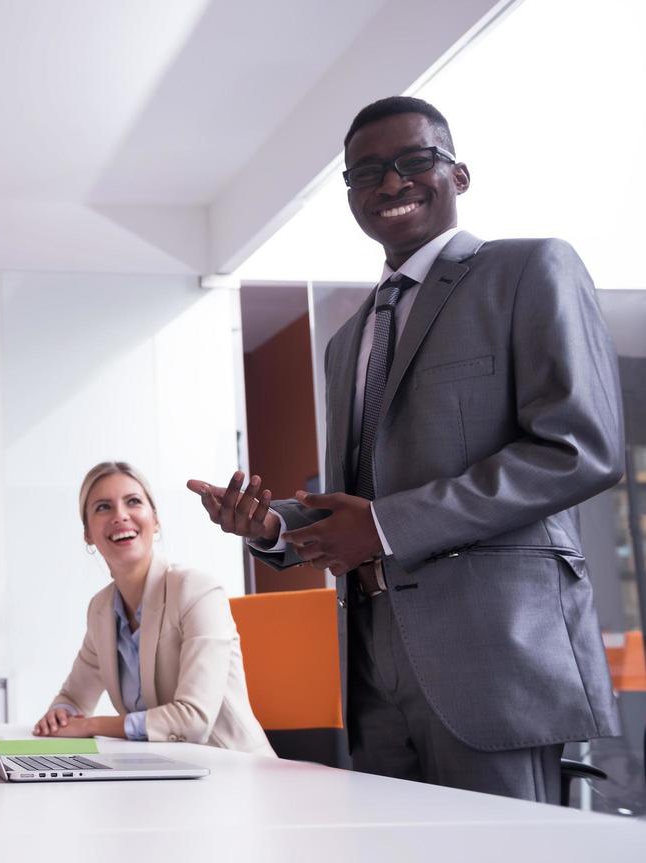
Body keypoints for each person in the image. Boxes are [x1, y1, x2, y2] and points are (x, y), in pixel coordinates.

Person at [188, 96, 623, 802]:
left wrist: (387, 525)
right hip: (371, 661)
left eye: (413, 161)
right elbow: (355, 504)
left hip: (494, 655)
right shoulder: (344, 342)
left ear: (458, 175)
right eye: (365, 174)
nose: (390, 184)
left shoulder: (526, 270)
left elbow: (578, 449)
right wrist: (271, 529)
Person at [33, 461, 273, 755]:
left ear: (155, 520)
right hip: (162, 773)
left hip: (234, 771)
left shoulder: (196, 590)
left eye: (133, 501)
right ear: (87, 534)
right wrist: (61, 712)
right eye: (103, 507)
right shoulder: (101, 609)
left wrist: (89, 725)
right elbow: (73, 696)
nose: (120, 515)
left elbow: (193, 721)